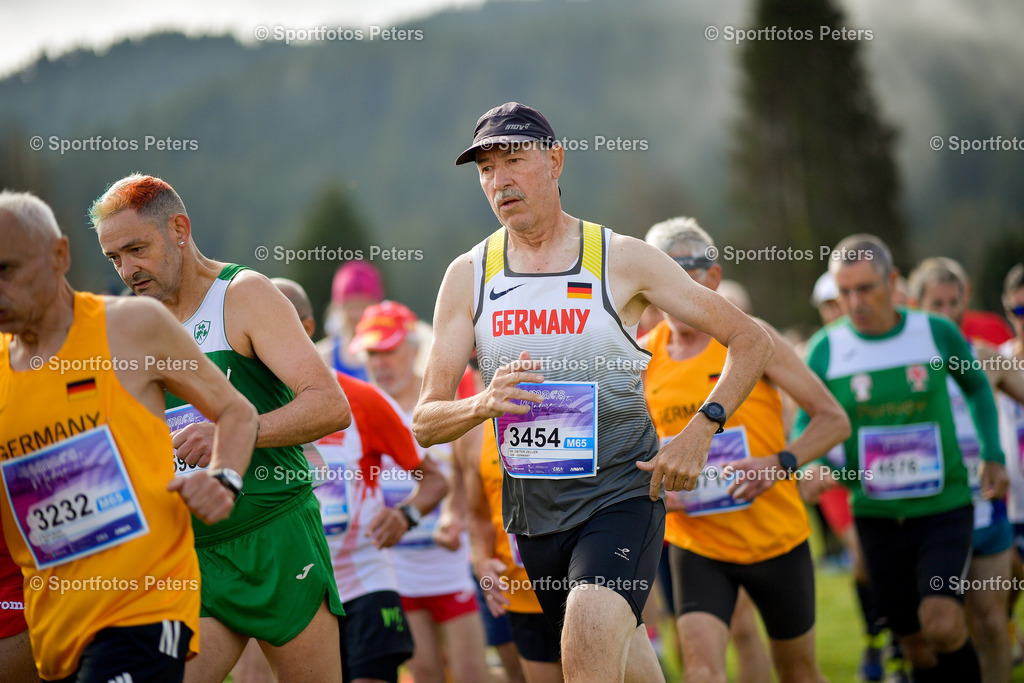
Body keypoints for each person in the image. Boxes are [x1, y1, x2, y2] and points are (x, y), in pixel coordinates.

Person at [412, 102, 774, 682]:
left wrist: (702, 428)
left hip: (620, 498)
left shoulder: (623, 259)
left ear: (555, 161)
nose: (499, 180)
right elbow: (425, 420)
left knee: (584, 654)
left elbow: (750, 340)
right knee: (621, 665)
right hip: (533, 516)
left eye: (514, 159)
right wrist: (482, 403)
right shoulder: (469, 275)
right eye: (485, 169)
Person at [91, 174, 351, 682]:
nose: (128, 269)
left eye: (136, 249)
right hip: (191, 557)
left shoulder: (243, 294)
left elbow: (329, 406)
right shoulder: (131, 325)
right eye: (113, 259)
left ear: (179, 229)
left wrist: (232, 433)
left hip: (277, 536)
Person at [0, 190, 257, 681]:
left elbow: (235, 412)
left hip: (143, 608)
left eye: (6, 271)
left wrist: (223, 478)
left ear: (59, 256)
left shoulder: (132, 326)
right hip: (51, 627)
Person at [641, 217, 848, 683]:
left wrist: (780, 464)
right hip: (697, 543)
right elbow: (632, 451)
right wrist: (653, 485)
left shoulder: (753, 338)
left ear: (713, 278)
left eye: (686, 277)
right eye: (662, 279)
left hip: (776, 540)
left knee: (798, 673)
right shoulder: (641, 356)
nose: (675, 294)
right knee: (701, 672)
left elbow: (833, 419)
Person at [795, 234, 1008, 682]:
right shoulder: (826, 349)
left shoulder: (933, 331)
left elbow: (976, 390)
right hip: (874, 516)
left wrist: (992, 453)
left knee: (943, 623)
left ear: (892, 282)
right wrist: (810, 464)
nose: (855, 301)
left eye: (866, 288)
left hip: (943, 509)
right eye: (844, 291)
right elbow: (804, 421)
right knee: (913, 643)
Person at [232, 279, 450, 683]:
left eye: (281, 326)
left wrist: (405, 517)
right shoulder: (235, 406)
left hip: (363, 580)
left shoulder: (362, 398)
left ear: (308, 327)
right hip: (285, 587)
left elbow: (434, 480)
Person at [351, 300, 490, 683]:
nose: (380, 363)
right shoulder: (360, 409)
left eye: (389, 350)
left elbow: (464, 475)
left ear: (413, 349)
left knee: (471, 674)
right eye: (372, 353)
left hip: (450, 564)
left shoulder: (440, 406)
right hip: (396, 570)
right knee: (425, 673)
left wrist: (455, 514)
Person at [908, 256, 1024, 682]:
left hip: (984, 507)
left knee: (992, 622)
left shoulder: (984, 357)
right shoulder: (901, 364)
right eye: (935, 304)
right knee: (936, 628)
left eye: (953, 303)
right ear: (914, 304)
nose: (946, 314)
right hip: (928, 512)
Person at [316, 261, 385, 381]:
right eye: (350, 307)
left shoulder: (393, 353)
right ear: (338, 308)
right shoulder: (324, 356)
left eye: (364, 306)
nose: (357, 314)